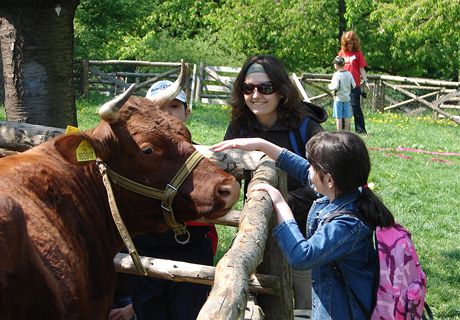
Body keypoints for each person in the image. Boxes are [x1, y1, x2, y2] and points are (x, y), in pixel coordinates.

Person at [211, 131, 395, 319]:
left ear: (329, 180)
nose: (309, 171)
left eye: (314, 167)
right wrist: (261, 144)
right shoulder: (346, 191)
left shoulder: (347, 224)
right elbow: (302, 170)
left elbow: (302, 256)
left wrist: (280, 203)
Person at [223, 54, 328, 310]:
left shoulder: (306, 127)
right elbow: (227, 174)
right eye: (248, 88)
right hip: (259, 228)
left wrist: (285, 202)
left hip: (306, 232)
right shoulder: (239, 125)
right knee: (256, 298)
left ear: (281, 91)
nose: (255, 95)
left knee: (305, 302)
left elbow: (327, 180)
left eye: (265, 88)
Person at [109, 80, 217, 320]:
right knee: (149, 309)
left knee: (187, 311)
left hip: (191, 244)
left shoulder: (200, 159)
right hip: (148, 243)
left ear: (187, 113)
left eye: (174, 106)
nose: (167, 113)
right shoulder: (140, 155)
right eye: (159, 107)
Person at [338, 31, 371, 134]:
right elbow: (337, 67)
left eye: (351, 42)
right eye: (347, 43)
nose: (349, 45)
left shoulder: (358, 53)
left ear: (355, 42)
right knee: (343, 108)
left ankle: (360, 130)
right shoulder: (341, 53)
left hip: (354, 85)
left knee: (355, 107)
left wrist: (366, 81)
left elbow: (361, 69)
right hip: (343, 86)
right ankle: (344, 130)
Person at [328, 56, 356, 131]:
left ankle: (339, 132)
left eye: (334, 64)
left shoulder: (336, 74)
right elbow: (354, 85)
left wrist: (329, 86)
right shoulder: (349, 74)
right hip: (347, 98)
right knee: (347, 116)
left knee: (338, 117)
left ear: (337, 65)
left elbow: (335, 86)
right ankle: (347, 132)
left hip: (338, 98)